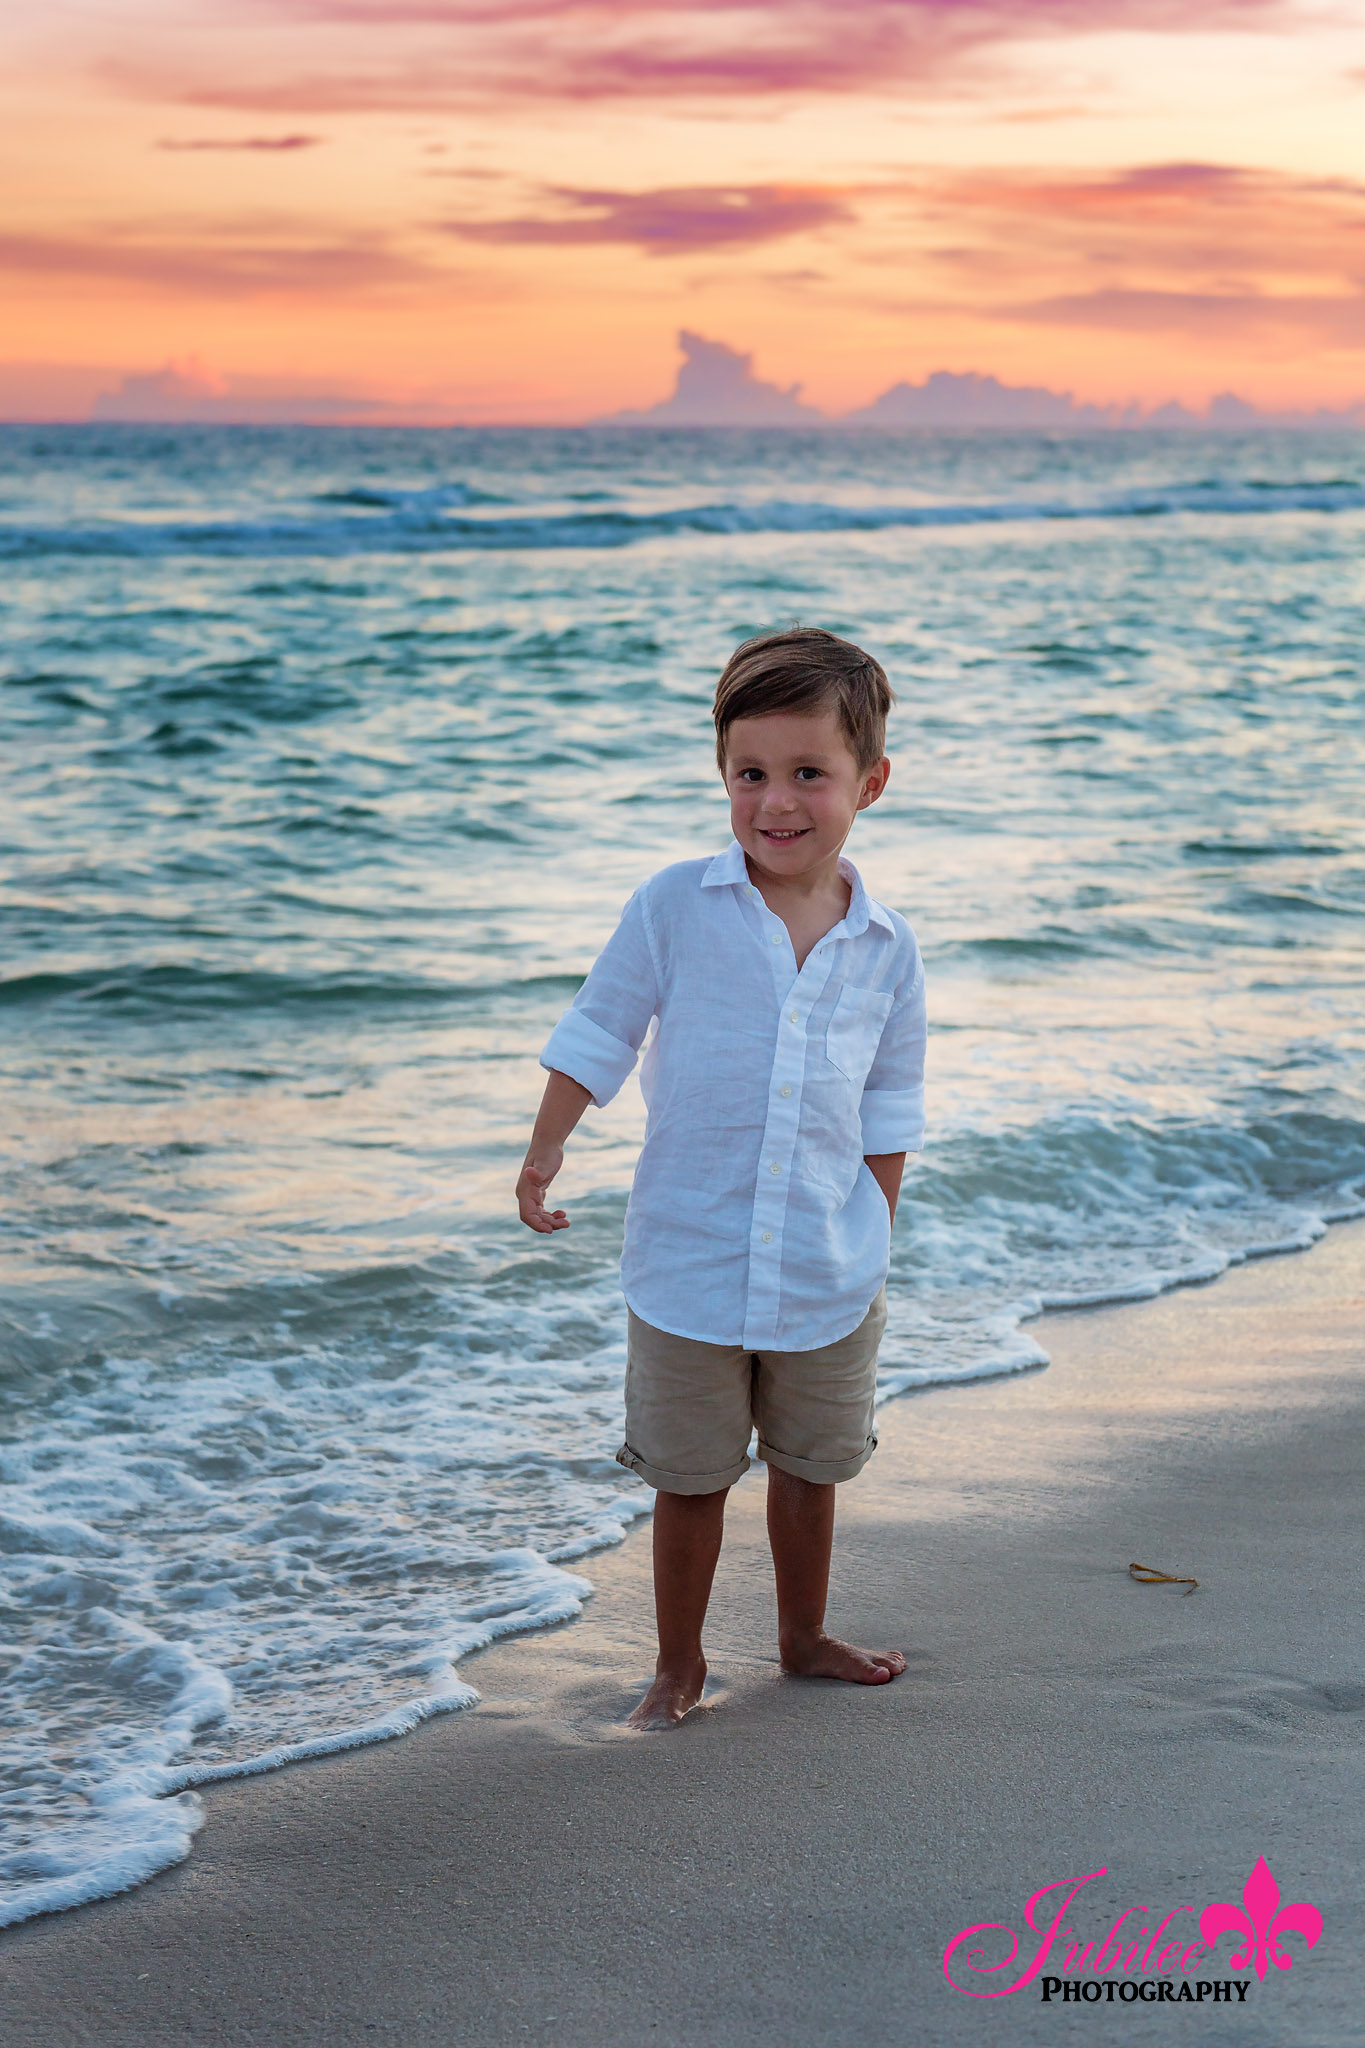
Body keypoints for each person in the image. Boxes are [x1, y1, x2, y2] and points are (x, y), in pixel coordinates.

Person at [516, 627, 927, 1729]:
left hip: (828, 1262)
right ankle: (679, 1661)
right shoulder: (674, 905)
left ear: (869, 783)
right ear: (723, 776)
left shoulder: (887, 943)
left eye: (809, 774)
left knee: (811, 1461)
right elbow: (601, 1026)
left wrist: (874, 1223)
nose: (776, 802)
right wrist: (548, 1142)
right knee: (689, 1474)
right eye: (751, 774)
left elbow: (890, 1099)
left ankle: (802, 1635)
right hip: (690, 1256)